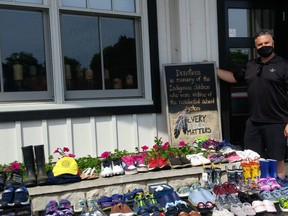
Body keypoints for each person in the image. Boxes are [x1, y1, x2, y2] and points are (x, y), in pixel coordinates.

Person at [217, 29, 288, 178]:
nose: (263, 46)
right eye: (260, 44)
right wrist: (212, 69)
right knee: (252, 159)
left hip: (277, 122)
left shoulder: (283, 65)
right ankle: (256, 191)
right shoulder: (250, 65)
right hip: (254, 122)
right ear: (256, 47)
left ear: (273, 43)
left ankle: (278, 191)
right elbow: (233, 78)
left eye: (266, 43)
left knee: (278, 160)